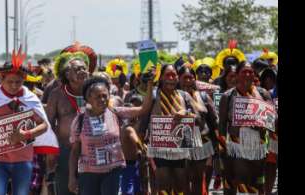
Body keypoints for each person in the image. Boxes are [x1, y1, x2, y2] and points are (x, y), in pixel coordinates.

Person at [0, 48, 59, 195]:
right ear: (1, 79)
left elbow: (44, 125)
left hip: (23, 161)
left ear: (24, 80)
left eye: (18, 82)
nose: (14, 85)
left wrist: (26, 134)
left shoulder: (30, 100)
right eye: (10, 82)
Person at [68, 75, 154, 195]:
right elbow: (75, 151)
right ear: (88, 99)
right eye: (98, 96)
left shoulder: (115, 113)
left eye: (105, 96)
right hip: (88, 174)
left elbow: (144, 108)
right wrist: (72, 177)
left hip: (112, 172)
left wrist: (150, 84)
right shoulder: (80, 120)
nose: (102, 99)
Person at [146, 64, 203, 194]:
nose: (171, 78)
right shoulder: (154, 95)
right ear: (161, 78)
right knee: (163, 185)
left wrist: (186, 113)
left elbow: (199, 120)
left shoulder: (184, 96)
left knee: (181, 185)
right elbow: (144, 119)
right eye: (168, 75)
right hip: (160, 149)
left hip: (181, 148)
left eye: (174, 75)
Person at [218, 61, 273, 195]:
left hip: (257, 148)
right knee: (235, 183)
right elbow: (221, 126)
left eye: (250, 72)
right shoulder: (228, 96)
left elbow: (272, 119)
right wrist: (222, 152)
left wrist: (261, 122)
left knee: (255, 184)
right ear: (237, 75)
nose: (248, 75)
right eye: (244, 72)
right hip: (235, 148)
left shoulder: (263, 94)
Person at [46, 50, 92, 195]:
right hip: (65, 149)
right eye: (77, 69)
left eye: (84, 68)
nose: (82, 71)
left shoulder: (95, 93)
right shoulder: (57, 94)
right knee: (65, 189)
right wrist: (51, 152)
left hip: (91, 150)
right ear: (67, 74)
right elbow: (49, 124)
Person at [177, 66, 219, 195]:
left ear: (195, 80)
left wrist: (219, 144)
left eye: (191, 78)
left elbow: (214, 121)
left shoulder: (203, 96)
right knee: (183, 180)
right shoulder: (172, 96)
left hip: (202, 143)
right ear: (179, 79)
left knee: (198, 179)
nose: (188, 81)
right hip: (179, 144)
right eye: (185, 78)